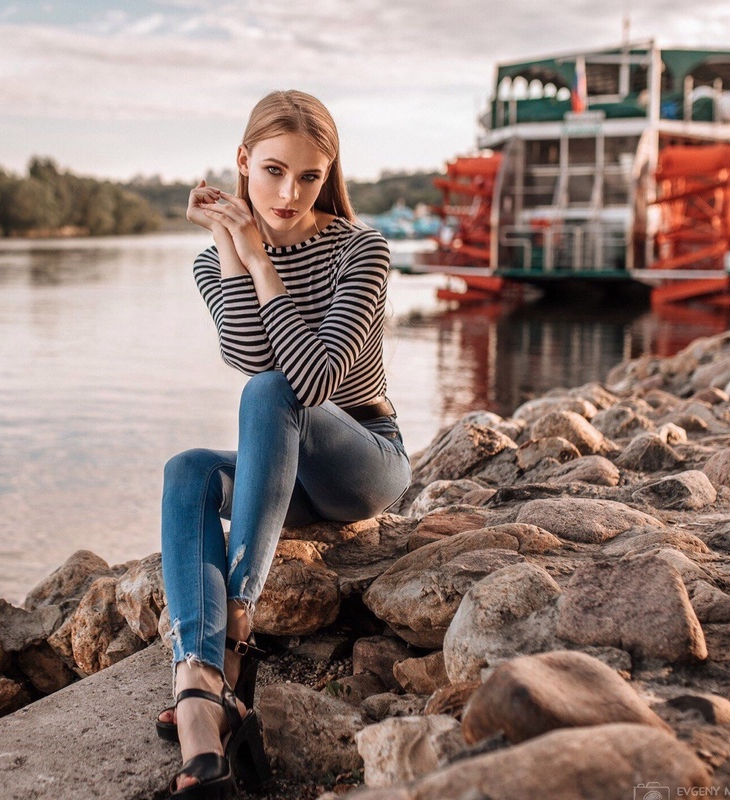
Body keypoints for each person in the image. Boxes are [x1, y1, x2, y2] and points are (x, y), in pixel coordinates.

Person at [157, 90, 412, 798]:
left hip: (364, 454)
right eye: (271, 171)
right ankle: (200, 686)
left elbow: (312, 378)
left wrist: (265, 263)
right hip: (287, 469)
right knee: (188, 473)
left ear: (328, 175)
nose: (288, 193)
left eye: (308, 177)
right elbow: (245, 349)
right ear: (243, 162)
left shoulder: (363, 250)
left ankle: (238, 617)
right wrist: (230, 247)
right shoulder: (217, 259)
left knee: (271, 393)